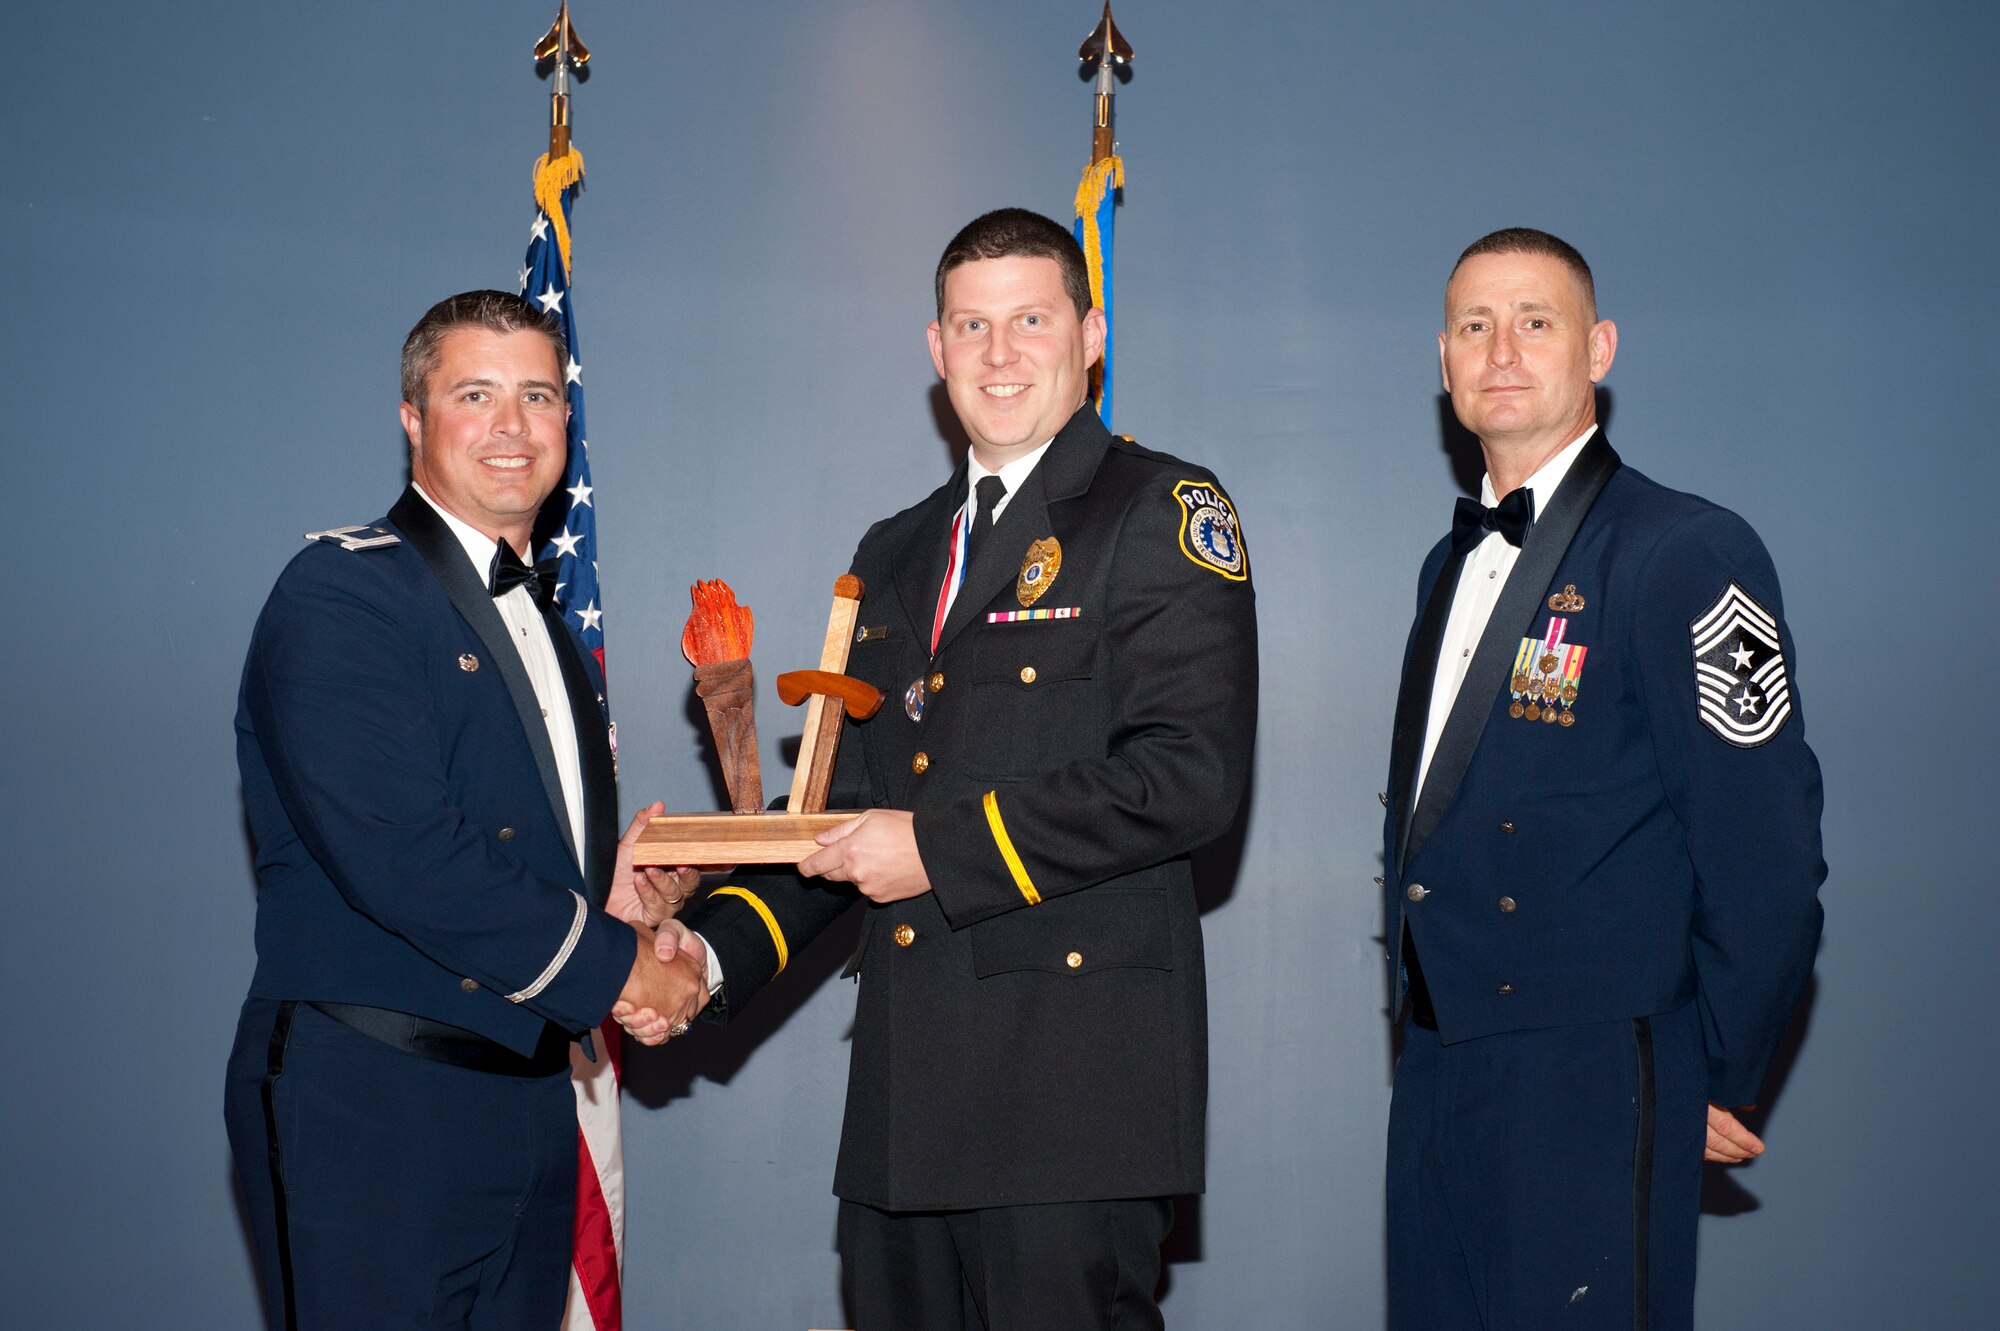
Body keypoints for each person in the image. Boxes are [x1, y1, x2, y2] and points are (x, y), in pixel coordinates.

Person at [626, 209, 1258, 1329]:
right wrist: (706, 950)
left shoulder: (1160, 510)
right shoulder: (895, 550)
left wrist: (932, 845)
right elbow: (848, 809)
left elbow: (1187, 774)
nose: (999, 352)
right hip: (906, 1108)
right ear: (935, 348)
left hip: (1071, 1103)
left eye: (1028, 319)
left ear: (1089, 333)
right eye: (972, 324)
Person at [224, 290, 706, 1330]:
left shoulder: (543, 621)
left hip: (525, 1098)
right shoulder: (341, 595)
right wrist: (623, 968)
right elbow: (407, 857)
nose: (510, 426)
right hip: (379, 1094)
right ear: (413, 416)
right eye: (474, 393)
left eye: (538, 396)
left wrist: (612, 898)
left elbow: (509, 851)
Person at [1381, 229, 1825, 1330]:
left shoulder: (1688, 549)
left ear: (1599, 347)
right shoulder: (1446, 565)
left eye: (1534, 321)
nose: (1501, 351)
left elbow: (1764, 844)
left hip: (1595, 1069)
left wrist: (1709, 1070)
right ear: (1441, 360)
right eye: (1473, 326)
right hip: (1438, 1065)